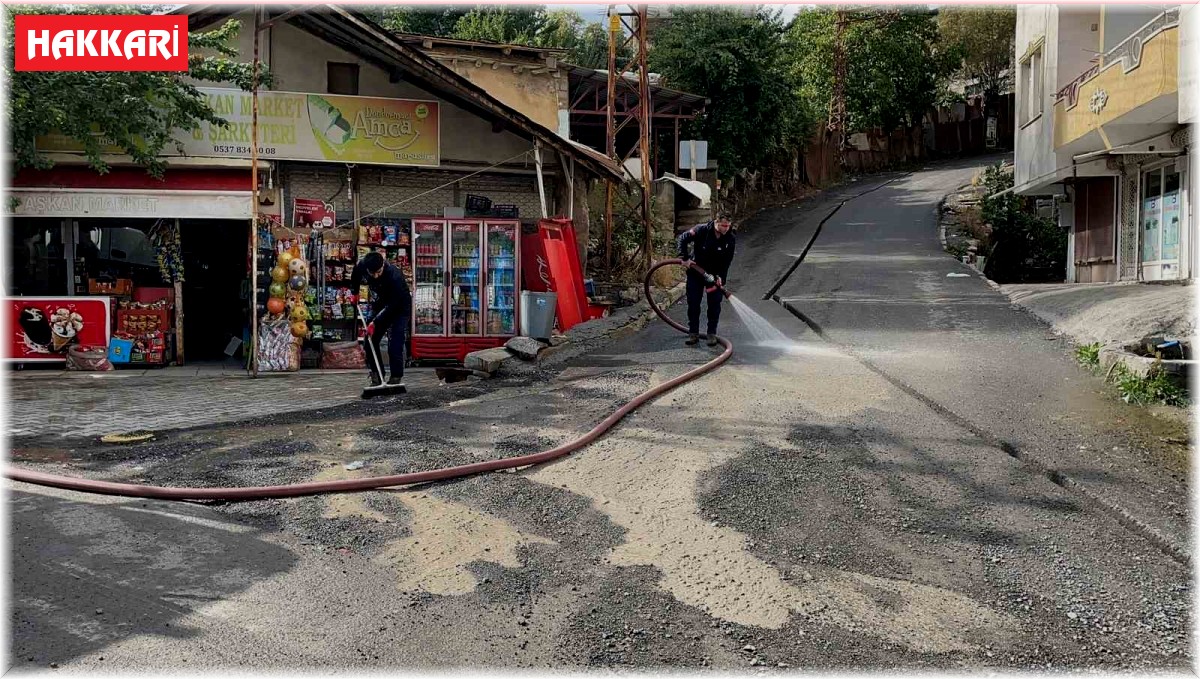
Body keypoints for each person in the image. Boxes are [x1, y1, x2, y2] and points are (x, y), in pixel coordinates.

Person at [350, 251, 412, 386]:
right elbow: (355, 275)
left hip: (399, 307)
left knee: (395, 343)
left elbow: (392, 305)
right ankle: (377, 374)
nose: (376, 276)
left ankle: (396, 377)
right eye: (372, 273)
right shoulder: (363, 265)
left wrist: (375, 322)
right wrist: (354, 292)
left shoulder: (395, 276)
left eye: (378, 272)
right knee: (369, 340)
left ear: (383, 264)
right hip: (380, 303)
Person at [677, 211, 736, 346]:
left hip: (714, 276)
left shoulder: (730, 238)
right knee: (693, 303)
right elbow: (683, 239)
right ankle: (693, 333)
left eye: (728, 226)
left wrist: (721, 277)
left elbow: (728, 260)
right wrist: (684, 258)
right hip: (696, 272)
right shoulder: (701, 230)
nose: (726, 229)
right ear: (716, 222)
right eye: (723, 226)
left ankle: (711, 334)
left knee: (714, 304)